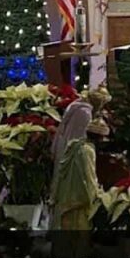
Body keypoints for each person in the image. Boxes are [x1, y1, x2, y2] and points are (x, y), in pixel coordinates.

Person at [49, 87, 111, 233]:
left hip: (65, 149)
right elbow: (88, 176)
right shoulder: (85, 114)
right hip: (75, 165)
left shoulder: (76, 105)